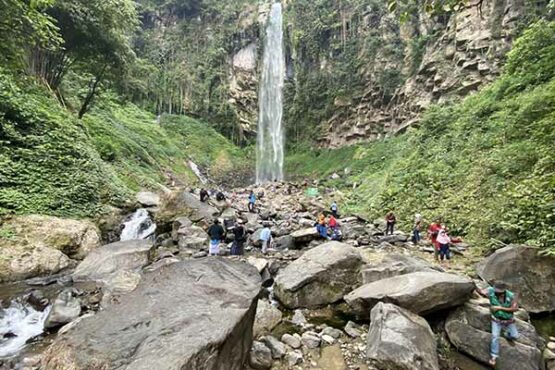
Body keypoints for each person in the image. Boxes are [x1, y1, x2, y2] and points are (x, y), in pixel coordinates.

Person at [476, 282, 520, 367]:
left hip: (508, 320)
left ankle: (507, 335)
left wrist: (499, 308)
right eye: (495, 290)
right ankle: (494, 356)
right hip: (496, 320)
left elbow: (515, 309)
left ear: (503, 291)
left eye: (498, 291)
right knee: (495, 336)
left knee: (515, 336)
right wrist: (472, 285)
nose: (496, 292)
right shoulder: (490, 291)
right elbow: (481, 292)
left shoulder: (511, 296)